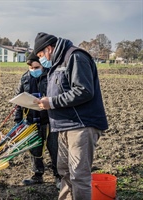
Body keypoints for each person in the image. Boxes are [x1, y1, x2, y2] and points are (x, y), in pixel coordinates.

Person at [33, 32, 108, 200]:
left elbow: (84, 90)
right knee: (65, 171)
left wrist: (51, 102)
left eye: (40, 56)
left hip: (81, 126)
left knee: (78, 175)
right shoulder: (57, 63)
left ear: (49, 49)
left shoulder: (75, 57)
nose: (41, 60)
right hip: (64, 126)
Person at [14, 52, 61, 189]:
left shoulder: (50, 77)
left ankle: (58, 176)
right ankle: (37, 174)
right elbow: (18, 101)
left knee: (54, 148)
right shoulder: (24, 79)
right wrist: (18, 120)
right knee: (35, 148)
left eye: (36, 67)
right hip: (31, 120)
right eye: (31, 68)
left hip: (49, 120)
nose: (33, 70)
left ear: (41, 65)